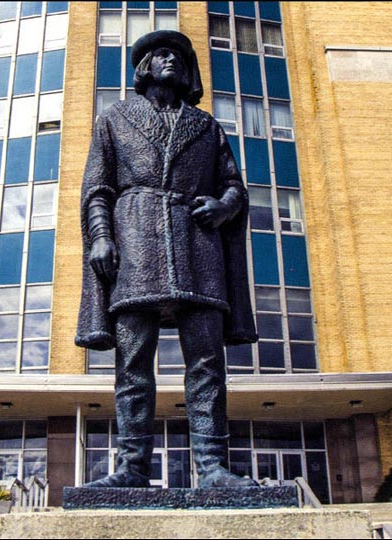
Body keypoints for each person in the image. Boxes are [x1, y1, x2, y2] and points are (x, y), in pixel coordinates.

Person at [76, 30, 258, 488]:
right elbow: (98, 189)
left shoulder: (207, 126)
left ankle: (213, 468)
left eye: (178, 55)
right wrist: (101, 236)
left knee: (206, 365)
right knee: (133, 367)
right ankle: (132, 468)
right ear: (143, 68)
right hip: (136, 247)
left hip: (198, 249)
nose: (171, 60)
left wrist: (225, 206)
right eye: (161, 54)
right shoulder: (114, 118)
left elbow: (234, 185)